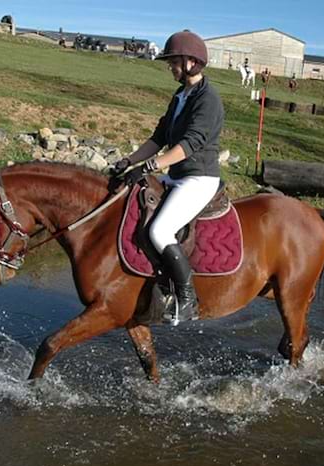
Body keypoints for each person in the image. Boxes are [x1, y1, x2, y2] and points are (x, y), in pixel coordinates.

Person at [111, 30, 224, 325]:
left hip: (198, 178)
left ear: (191, 62)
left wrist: (149, 168)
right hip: (177, 176)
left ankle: (187, 301)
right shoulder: (181, 95)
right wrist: (128, 161)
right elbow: (160, 136)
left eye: (173, 62)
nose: (169, 67)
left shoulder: (208, 100)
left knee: (159, 231)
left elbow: (188, 145)